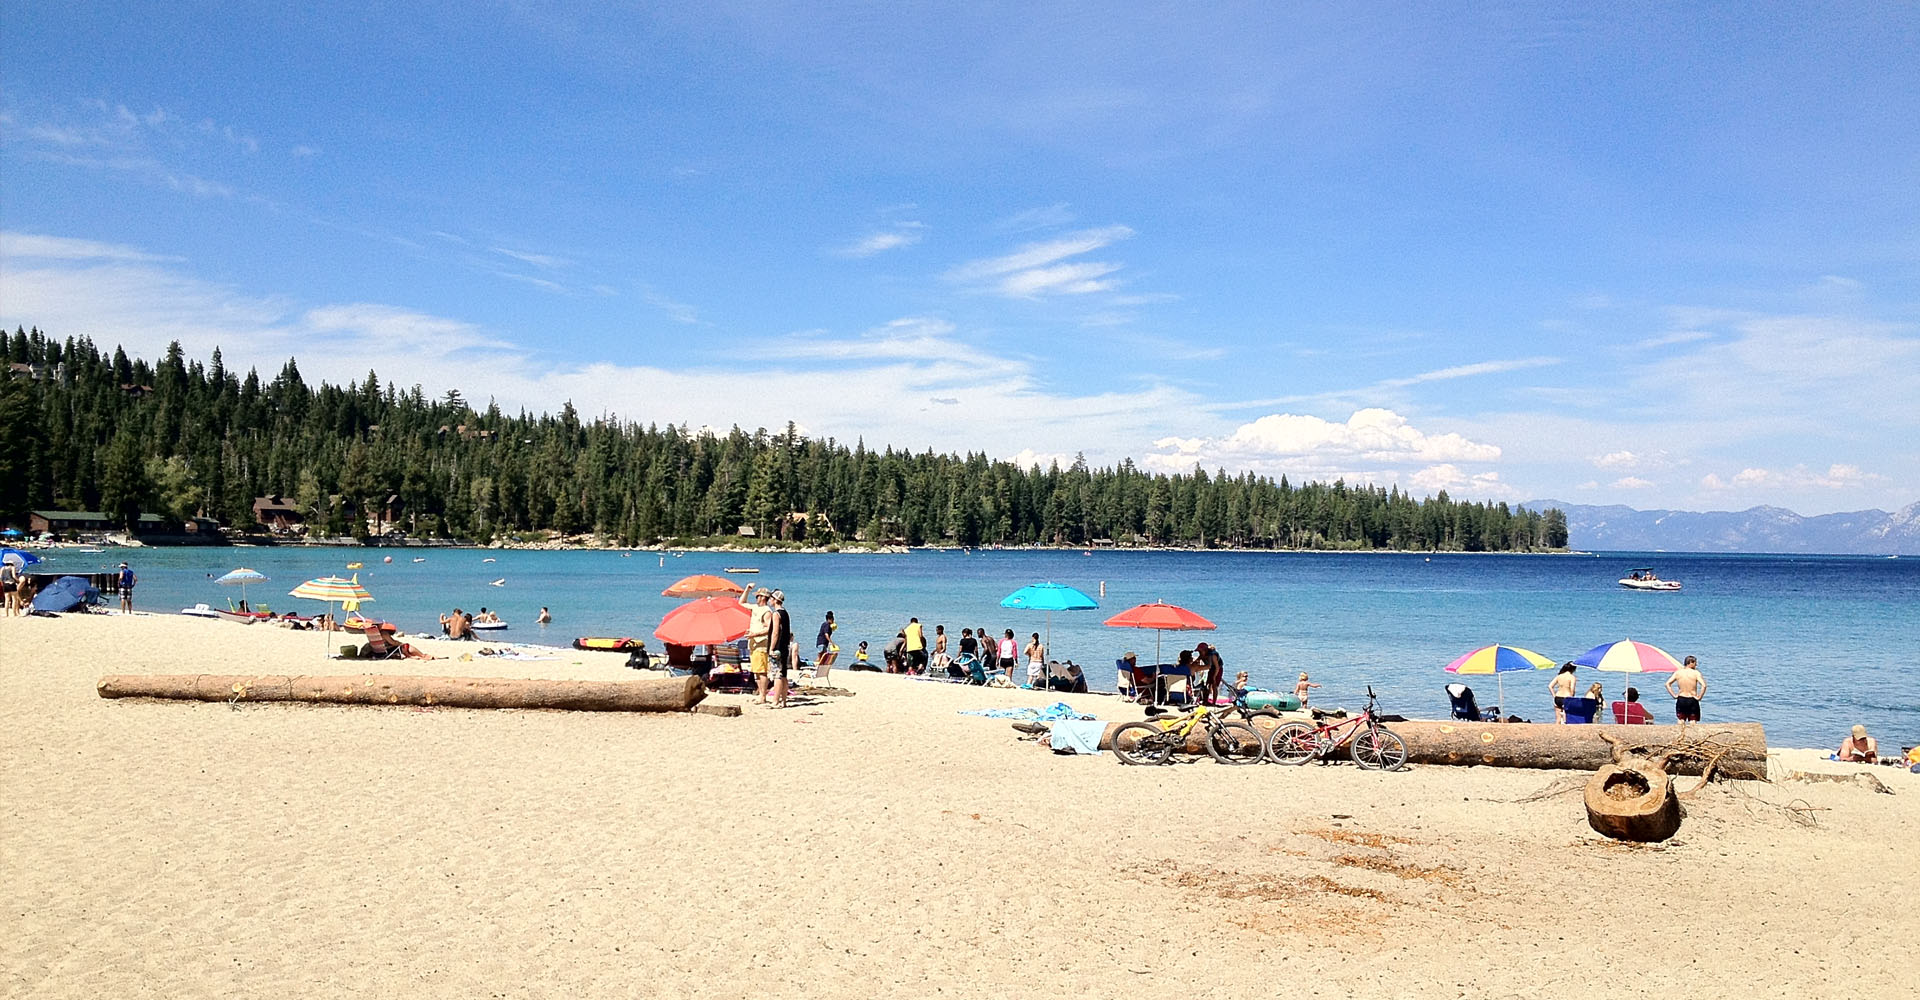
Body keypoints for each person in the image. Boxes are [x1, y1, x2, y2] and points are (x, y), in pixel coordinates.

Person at [743, 588, 773, 704]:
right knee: (756, 671)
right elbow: (741, 603)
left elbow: (769, 628)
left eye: (758, 596)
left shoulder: (766, 611)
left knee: (762, 671)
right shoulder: (756, 608)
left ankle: (763, 696)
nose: (756, 598)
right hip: (753, 644)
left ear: (763, 597)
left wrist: (755, 634)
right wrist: (747, 589)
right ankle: (760, 694)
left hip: (761, 644)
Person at [767, 590, 793, 708]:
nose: (769, 600)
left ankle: (775, 701)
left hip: (778, 648)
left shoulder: (776, 614)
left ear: (775, 600)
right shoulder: (785, 613)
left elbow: (775, 633)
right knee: (783, 675)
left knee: (777, 675)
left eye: (771, 598)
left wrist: (771, 648)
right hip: (784, 647)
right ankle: (784, 701)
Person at [1666, 655, 1707, 722]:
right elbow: (1704, 685)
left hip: (1681, 698)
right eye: (1695, 663)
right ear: (1690, 662)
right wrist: (1700, 697)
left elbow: (1667, 684)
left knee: (1681, 720)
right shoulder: (1696, 673)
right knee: (1693, 721)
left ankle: (1681, 732)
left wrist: (1674, 695)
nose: (1696, 665)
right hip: (1692, 699)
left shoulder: (1678, 673)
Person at [814, 611, 837, 684]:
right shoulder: (827, 625)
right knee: (820, 656)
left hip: (822, 642)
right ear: (830, 619)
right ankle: (816, 668)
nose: (833, 621)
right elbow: (826, 635)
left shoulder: (825, 625)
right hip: (822, 642)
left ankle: (818, 669)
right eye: (833, 619)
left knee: (822, 656)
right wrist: (832, 642)